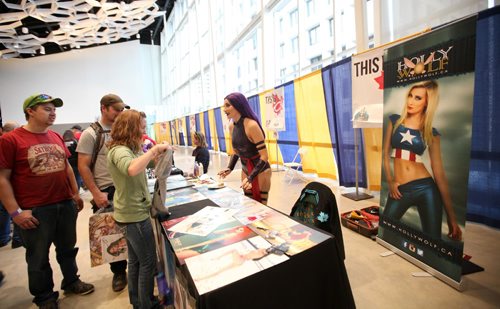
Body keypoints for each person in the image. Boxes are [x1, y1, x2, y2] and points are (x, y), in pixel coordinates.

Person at [0, 94, 94, 308]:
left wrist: (75, 193)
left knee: (68, 249)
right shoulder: (11, 139)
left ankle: (71, 281)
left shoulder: (55, 136)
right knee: (38, 256)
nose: (53, 113)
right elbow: (2, 178)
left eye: (54, 109)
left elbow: (66, 166)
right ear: (30, 111)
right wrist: (15, 212)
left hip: (64, 203)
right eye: (46, 109)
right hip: (35, 209)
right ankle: (44, 297)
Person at [107, 110, 172, 309]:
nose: (144, 131)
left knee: (135, 261)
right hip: (134, 216)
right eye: (142, 127)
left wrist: (159, 154)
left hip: (131, 212)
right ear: (131, 128)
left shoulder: (129, 149)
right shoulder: (119, 151)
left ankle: (137, 301)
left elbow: (140, 164)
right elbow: (132, 169)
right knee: (148, 262)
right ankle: (148, 303)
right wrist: (153, 151)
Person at [382, 80, 462, 241]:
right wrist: (390, 180)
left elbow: (438, 172)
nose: (411, 101)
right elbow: (385, 154)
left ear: (427, 103)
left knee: (432, 240)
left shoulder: (431, 132)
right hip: (400, 188)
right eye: (410, 96)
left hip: (427, 188)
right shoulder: (395, 121)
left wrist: (452, 218)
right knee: (386, 230)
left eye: (418, 98)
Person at [76, 94, 128, 292]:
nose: (120, 113)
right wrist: (96, 193)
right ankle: (119, 272)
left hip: (127, 188)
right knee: (112, 235)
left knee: (131, 231)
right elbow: (83, 166)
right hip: (107, 191)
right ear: (104, 108)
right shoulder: (91, 134)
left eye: (122, 109)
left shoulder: (121, 131)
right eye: (116, 109)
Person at [218, 92, 271, 205]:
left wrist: (251, 177)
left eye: (228, 105)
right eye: (224, 106)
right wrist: (230, 168)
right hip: (245, 169)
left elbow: (264, 156)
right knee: (249, 204)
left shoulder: (251, 125)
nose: (224, 109)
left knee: (262, 206)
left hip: (260, 171)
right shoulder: (232, 126)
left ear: (238, 105)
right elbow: (237, 151)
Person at [0, 121, 24, 249]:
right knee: (16, 211)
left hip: (6, 187)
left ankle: (3, 237)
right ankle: (17, 238)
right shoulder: (8, 142)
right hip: (8, 187)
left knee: (3, 212)